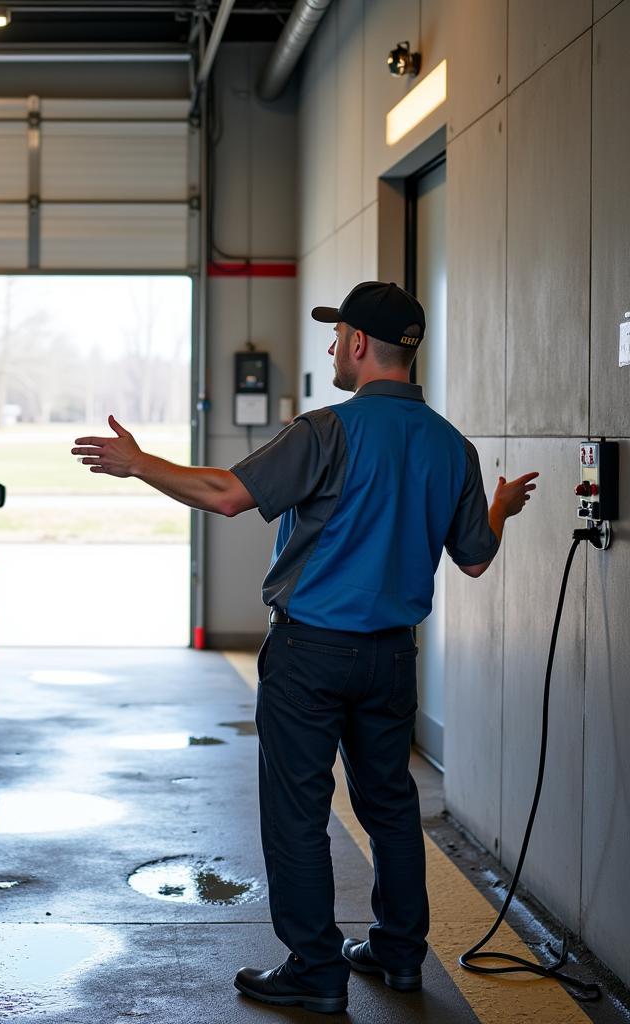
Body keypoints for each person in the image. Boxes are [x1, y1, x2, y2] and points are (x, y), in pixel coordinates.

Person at [71, 281, 538, 1015]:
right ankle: (398, 953)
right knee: (389, 804)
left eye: (337, 336)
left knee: (297, 812)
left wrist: (141, 463)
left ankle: (316, 970)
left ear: (358, 344)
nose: (331, 349)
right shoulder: (452, 446)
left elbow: (227, 494)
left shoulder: (326, 431)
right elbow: (475, 559)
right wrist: (498, 510)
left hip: (311, 653)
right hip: (391, 657)